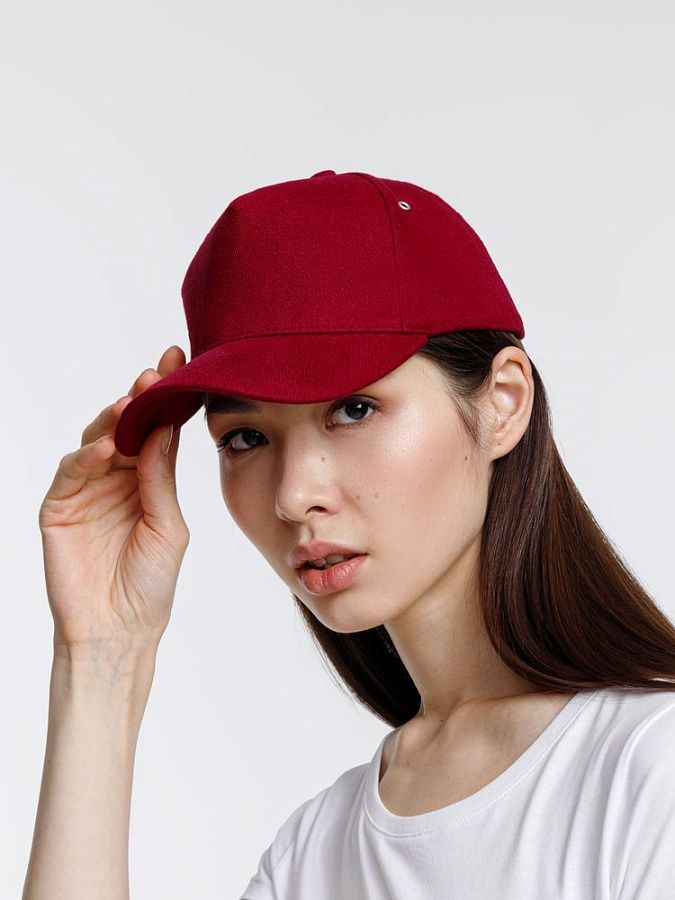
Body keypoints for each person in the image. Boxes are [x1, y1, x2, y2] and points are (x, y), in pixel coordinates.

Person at [22, 170, 675, 899]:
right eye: (244, 438)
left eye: (355, 409)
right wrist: (100, 659)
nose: (293, 495)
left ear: (502, 403)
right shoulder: (314, 853)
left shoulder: (650, 767)